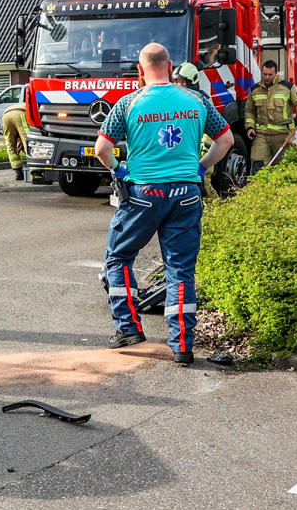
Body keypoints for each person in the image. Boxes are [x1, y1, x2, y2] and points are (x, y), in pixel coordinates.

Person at [92, 43, 234, 365]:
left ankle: (128, 329)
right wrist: (200, 167)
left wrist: (119, 170)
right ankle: (182, 346)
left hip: (144, 195)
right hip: (186, 193)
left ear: (141, 70)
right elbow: (225, 140)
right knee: (180, 269)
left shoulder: (129, 103)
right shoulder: (196, 100)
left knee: (118, 258)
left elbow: (102, 148)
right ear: (169, 66)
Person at [242, 60, 297, 171]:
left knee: (288, 169)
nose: (267, 77)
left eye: (270, 74)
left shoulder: (288, 87)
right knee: (258, 167)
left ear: (276, 73)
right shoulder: (255, 90)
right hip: (262, 136)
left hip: (284, 136)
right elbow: (249, 111)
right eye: (264, 74)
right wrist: (250, 127)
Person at [173, 63, 221, 199]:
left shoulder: (203, 100)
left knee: (203, 181)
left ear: (192, 81)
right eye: (177, 82)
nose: (180, 85)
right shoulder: (176, 99)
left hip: (200, 147)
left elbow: (211, 126)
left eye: (183, 82)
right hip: (184, 147)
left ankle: (214, 211)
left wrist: (205, 146)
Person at [2, 100, 29, 182]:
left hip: (5, 116)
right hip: (21, 114)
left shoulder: (24, 104)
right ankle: (35, 170)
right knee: (28, 142)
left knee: (10, 146)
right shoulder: (36, 108)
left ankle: (18, 172)